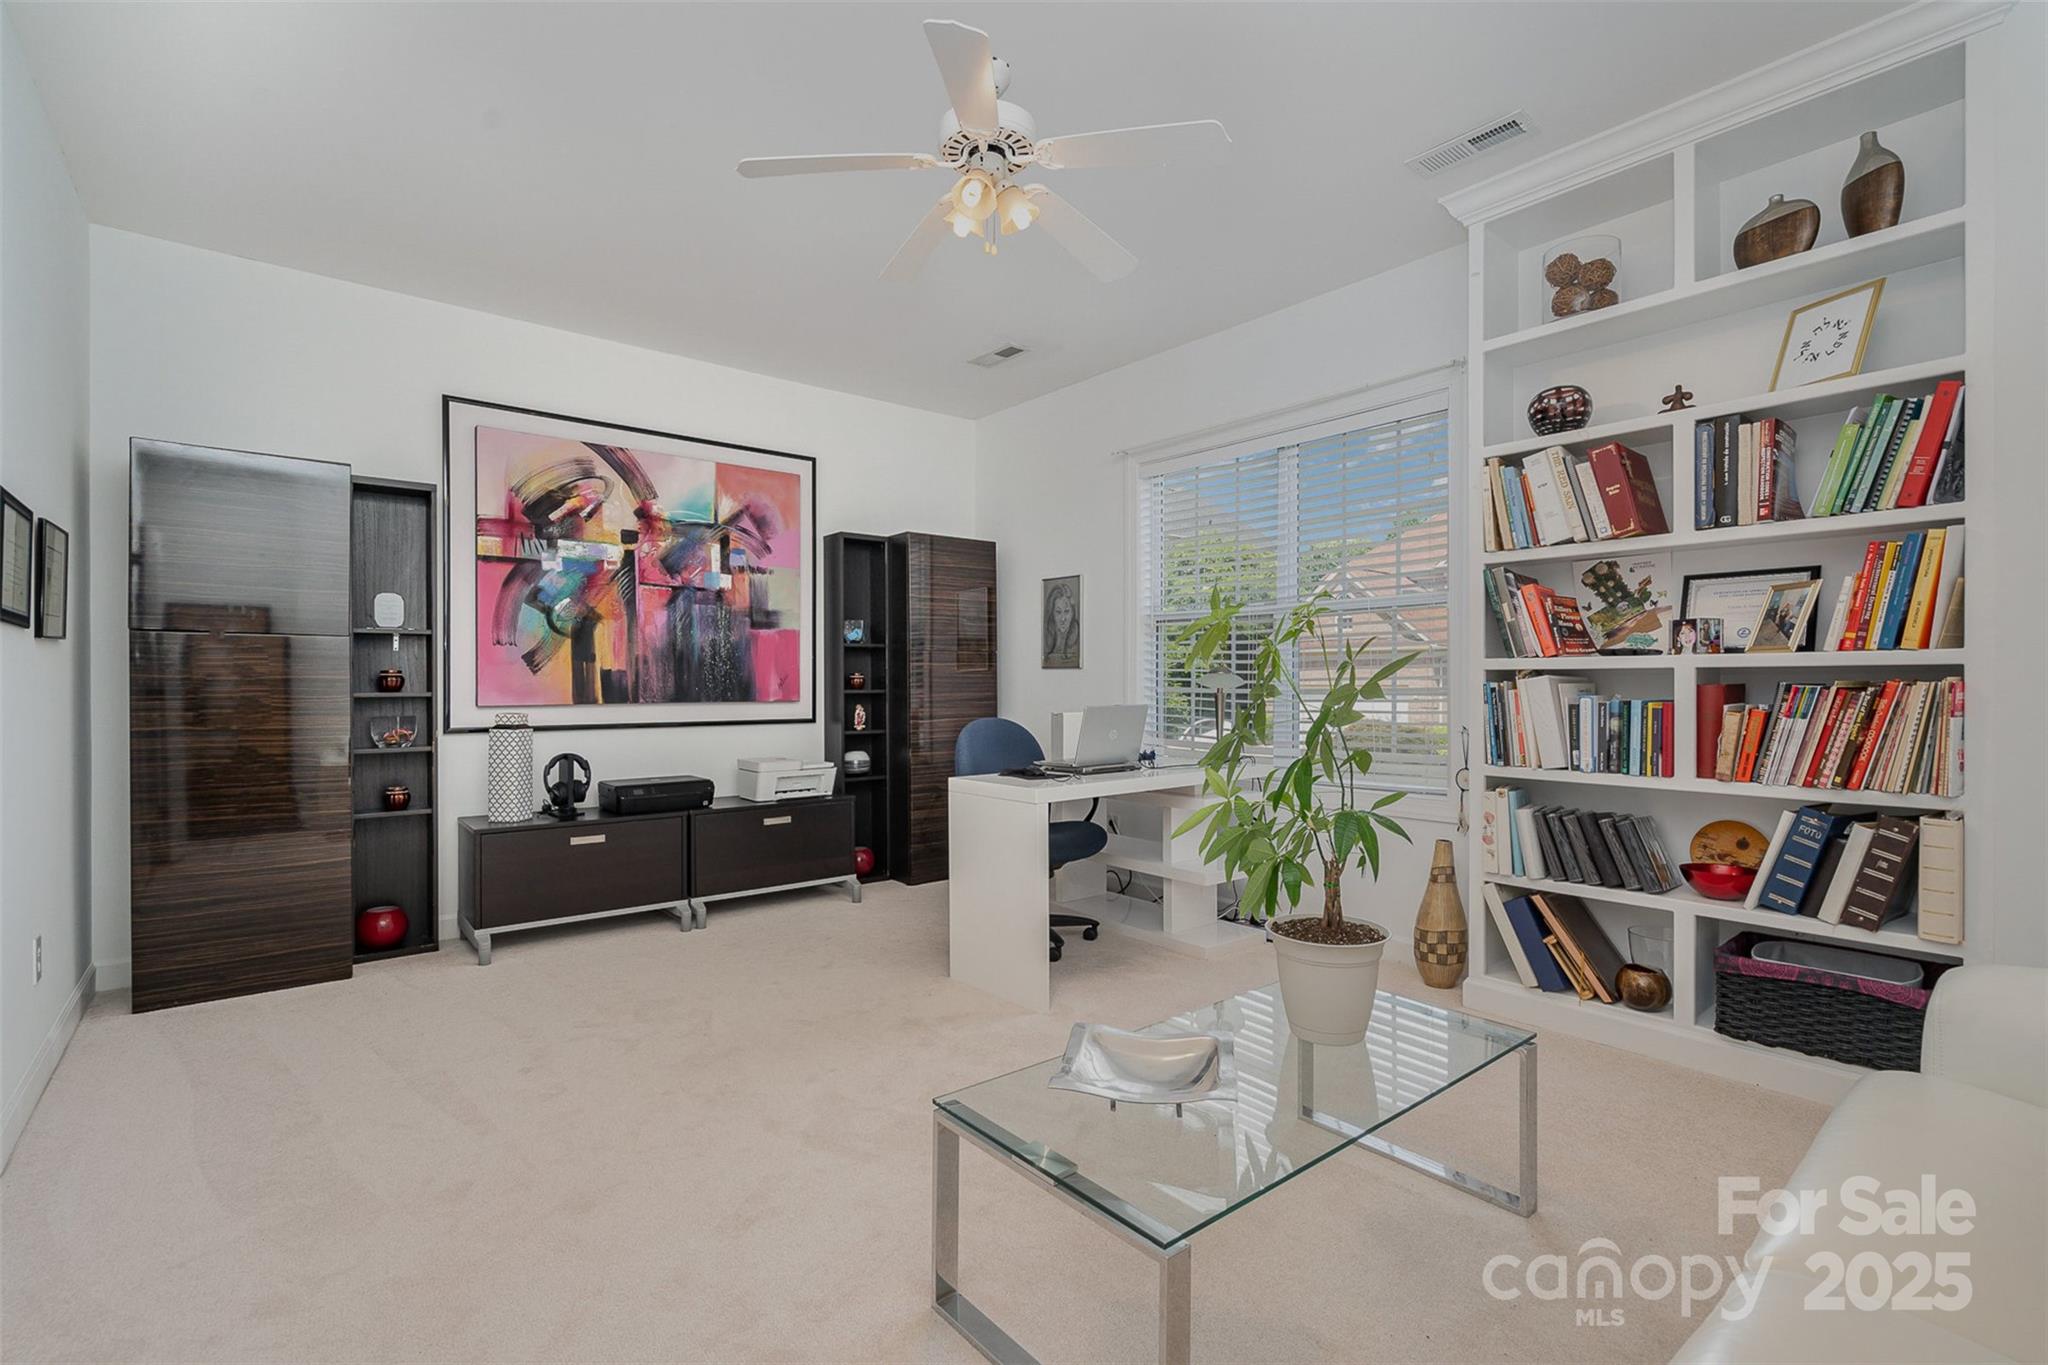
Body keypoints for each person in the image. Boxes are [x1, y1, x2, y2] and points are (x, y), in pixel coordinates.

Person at [1043, 579, 1079, 665]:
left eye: (1067, 611)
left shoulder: (1077, 640)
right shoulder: (1046, 640)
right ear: (1052, 614)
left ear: (1072, 613)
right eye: (1058, 612)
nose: (1063, 619)